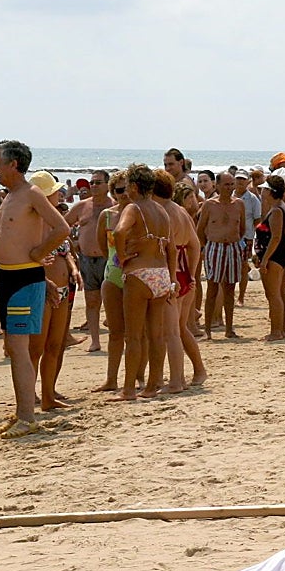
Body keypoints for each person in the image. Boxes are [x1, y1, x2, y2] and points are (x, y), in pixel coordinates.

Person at [0, 140, 69, 438]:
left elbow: (61, 228)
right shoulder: (10, 196)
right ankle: (22, 410)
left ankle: (27, 417)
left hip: (24, 277)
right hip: (7, 277)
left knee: (20, 348)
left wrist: (39, 253)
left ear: (13, 164)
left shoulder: (32, 193)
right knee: (14, 347)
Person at [115, 163, 175, 400]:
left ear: (134, 186)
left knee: (133, 336)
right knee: (156, 335)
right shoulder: (162, 211)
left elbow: (119, 231)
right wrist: (171, 279)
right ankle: (152, 386)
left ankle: (129, 389)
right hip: (161, 274)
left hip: (139, 273)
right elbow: (170, 248)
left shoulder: (133, 208)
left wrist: (122, 256)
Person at [28, 171, 79, 411]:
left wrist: (73, 269)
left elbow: (64, 251)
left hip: (62, 288)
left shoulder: (55, 220)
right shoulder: (32, 224)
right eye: (55, 192)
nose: (60, 195)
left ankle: (48, 395)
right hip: (42, 288)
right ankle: (29, 395)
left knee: (55, 345)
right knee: (36, 348)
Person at [157, 173, 205, 391]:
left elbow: (169, 248)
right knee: (181, 328)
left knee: (171, 332)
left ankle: (176, 379)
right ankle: (198, 370)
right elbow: (195, 245)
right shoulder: (182, 212)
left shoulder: (163, 212)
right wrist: (192, 275)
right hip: (185, 272)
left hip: (172, 272)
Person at [66, 169, 112, 352]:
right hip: (87, 260)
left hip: (109, 259)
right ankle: (95, 341)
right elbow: (62, 226)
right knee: (91, 301)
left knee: (112, 302)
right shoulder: (81, 206)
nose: (93, 185)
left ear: (107, 185)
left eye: (98, 182)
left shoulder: (115, 206)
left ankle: (117, 337)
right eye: (92, 182)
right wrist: (71, 246)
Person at [197, 171, 246, 340]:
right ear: (217, 185)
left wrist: (235, 242)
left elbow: (242, 228)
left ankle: (229, 328)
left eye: (232, 184)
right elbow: (200, 229)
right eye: (226, 184)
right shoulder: (209, 205)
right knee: (212, 287)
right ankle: (208, 329)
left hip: (233, 247)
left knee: (230, 288)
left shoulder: (239, 204)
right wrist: (206, 247)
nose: (230, 188)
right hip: (214, 247)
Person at [92, 172, 128, 393]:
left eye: (127, 189)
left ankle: (137, 376)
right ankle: (111, 379)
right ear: (113, 192)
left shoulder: (141, 213)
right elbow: (103, 247)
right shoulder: (107, 216)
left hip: (135, 275)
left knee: (137, 332)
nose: (124, 194)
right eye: (119, 190)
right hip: (113, 274)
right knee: (115, 332)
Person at [258, 174, 285, 340]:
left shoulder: (276, 210)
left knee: (273, 294)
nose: (262, 192)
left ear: (270, 191)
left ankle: (276, 331)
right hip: (281, 252)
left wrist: (265, 259)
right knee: (279, 293)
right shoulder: (280, 207)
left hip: (275, 255)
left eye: (264, 190)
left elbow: (275, 237)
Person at [234, 172, 261, 307]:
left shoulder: (252, 199)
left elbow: (257, 219)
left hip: (245, 237)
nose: (240, 181)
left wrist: (252, 234)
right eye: (238, 179)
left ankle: (241, 296)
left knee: (243, 266)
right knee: (231, 266)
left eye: (242, 179)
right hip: (230, 236)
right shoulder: (229, 196)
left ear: (247, 181)